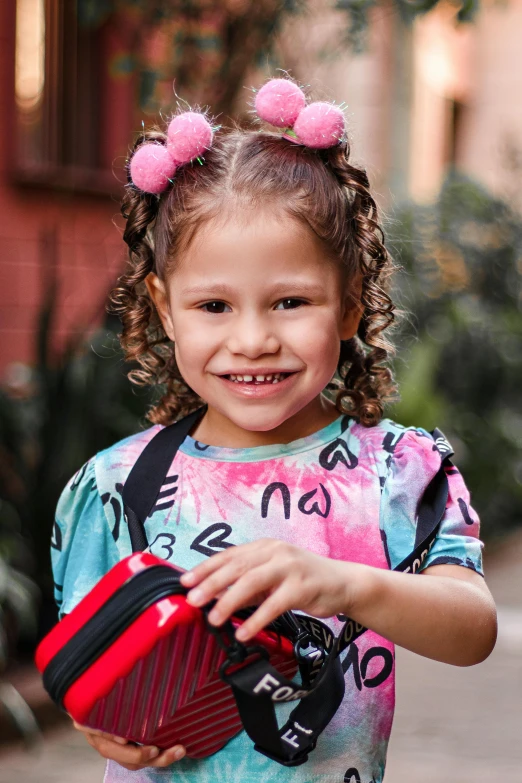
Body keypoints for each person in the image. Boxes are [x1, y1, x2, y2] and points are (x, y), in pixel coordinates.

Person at [51, 78, 497, 783]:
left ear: (349, 304)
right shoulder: (115, 486)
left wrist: (345, 583)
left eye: (291, 301)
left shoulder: (397, 470)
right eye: (214, 305)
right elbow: (89, 672)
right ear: (166, 310)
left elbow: (473, 627)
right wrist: (106, 730)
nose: (253, 338)